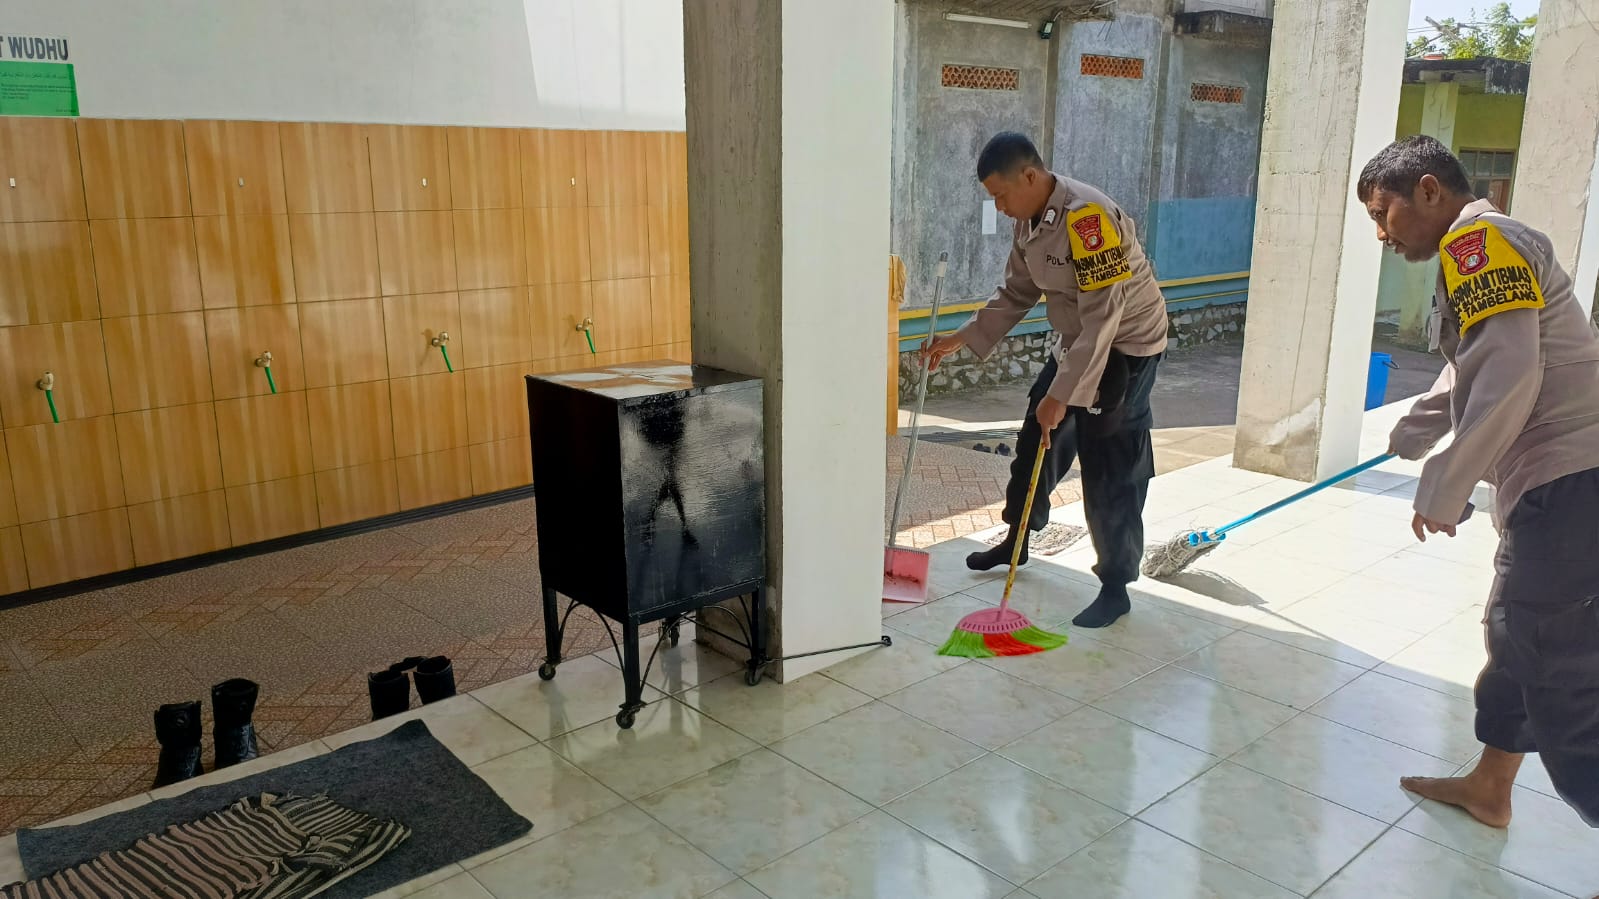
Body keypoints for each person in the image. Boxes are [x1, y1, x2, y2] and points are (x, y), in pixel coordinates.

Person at [1365, 134, 1599, 831]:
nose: (1381, 234)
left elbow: (1507, 370)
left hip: (1571, 481)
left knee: (1552, 665)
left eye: (1382, 213)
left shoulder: (1478, 243)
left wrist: (1445, 482)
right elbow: (1472, 359)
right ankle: (1490, 787)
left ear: (1428, 190)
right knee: (1516, 638)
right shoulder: (1481, 246)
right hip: (1561, 483)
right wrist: (1417, 429)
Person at [925, 132, 1168, 628]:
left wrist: (1063, 394)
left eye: (1001, 195)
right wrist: (963, 336)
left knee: (1110, 460)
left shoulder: (1088, 219)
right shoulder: (1029, 220)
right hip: (1078, 339)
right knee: (1037, 432)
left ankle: (1115, 585)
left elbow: (1104, 315)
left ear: (1030, 176)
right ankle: (1017, 539)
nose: (999, 207)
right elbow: (1017, 291)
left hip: (1126, 344)